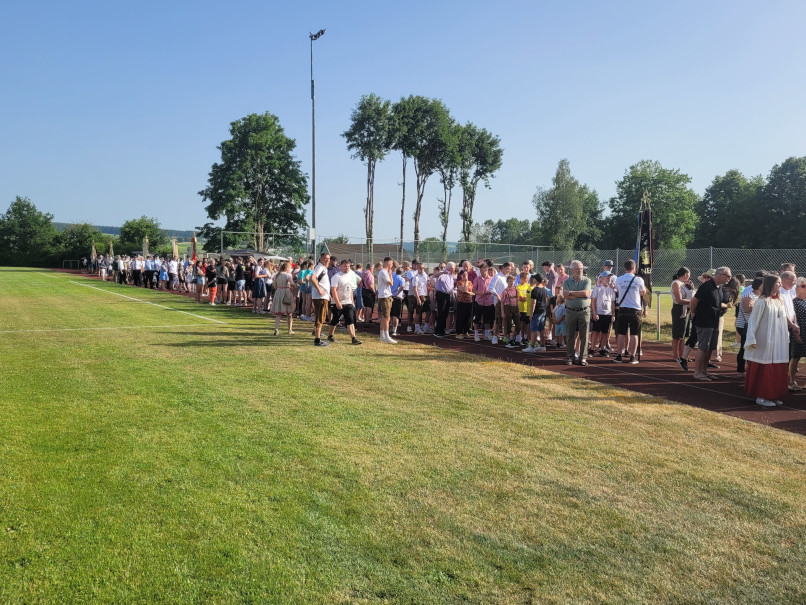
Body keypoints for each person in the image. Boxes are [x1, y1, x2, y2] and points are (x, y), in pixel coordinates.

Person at [744, 273, 790, 407]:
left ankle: (773, 395)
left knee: (777, 368)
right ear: (771, 284)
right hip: (765, 342)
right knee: (765, 369)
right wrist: (751, 338)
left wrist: (791, 328)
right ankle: (762, 396)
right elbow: (753, 321)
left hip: (778, 342)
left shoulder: (779, 301)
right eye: (778, 283)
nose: (780, 285)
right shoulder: (762, 301)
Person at [690, 266, 732, 381]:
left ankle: (704, 371)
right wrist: (693, 313)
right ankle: (697, 372)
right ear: (720, 275)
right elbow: (694, 301)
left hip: (714, 321)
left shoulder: (719, 287)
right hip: (704, 321)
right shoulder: (706, 286)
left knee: (710, 348)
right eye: (728, 276)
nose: (729, 278)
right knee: (703, 347)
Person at [613, 259, 647, 364]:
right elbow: (643, 292)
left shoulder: (619, 279)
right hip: (635, 309)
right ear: (634, 268)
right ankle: (632, 356)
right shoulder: (639, 279)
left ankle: (619, 355)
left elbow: (617, 290)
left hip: (623, 308)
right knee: (634, 334)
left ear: (625, 268)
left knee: (621, 333)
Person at [562, 260, 592, 366]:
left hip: (584, 311)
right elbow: (565, 295)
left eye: (581, 269)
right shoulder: (567, 282)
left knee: (584, 336)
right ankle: (570, 357)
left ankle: (583, 357)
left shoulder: (587, 280)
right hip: (570, 311)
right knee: (570, 335)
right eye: (577, 269)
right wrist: (580, 294)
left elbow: (586, 294)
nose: (580, 271)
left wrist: (571, 293)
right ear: (572, 270)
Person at [735, 276, 763, 374]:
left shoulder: (760, 296)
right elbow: (747, 309)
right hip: (744, 325)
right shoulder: (749, 294)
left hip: (753, 325)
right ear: (759, 285)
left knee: (752, 348)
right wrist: (759, 306)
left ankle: (751, 369)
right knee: (745, 347)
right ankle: (740, 369)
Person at [670, 267, 694, 368]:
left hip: (687, 309)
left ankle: (682, 356)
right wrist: (693, 301)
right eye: (689, 275)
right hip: (679, 310)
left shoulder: (685, 283)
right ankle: (676, 356)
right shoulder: (676, 283)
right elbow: (679, 300)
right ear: (685, 274)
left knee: (684, 334)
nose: (689, 277)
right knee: (677, 334)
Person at [590, 272, 616, 357]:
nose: (609, 280)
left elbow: (612, 302)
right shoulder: (597, 288)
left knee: (605, 332)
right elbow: (593, 301)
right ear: (602, 278)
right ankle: (592, 349)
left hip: (607, 313)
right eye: (607, 278)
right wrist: (594, 312)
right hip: (599, 313)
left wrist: (613, 314)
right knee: (596, 331)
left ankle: (602, 348)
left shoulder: (611, 289)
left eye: (610, 278)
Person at [310, 252, 332, 346]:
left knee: (320, 316)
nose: (327, 260)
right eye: (325, 258)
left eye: (328, 258)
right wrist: (319, 290)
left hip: (323, 296)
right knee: (320, 317)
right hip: (320, 297)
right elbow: (312, 278)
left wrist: (328, 293)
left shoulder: (323, 268)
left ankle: (316, 335)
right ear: (320, 259)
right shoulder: (319, 268)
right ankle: (317, 340)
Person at [788, 276, 806, 391]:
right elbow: (793, 320)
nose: (805, 288)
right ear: (797, 288)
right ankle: (791, 381)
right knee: (796, 357)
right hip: (799, 333)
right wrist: (796, 334)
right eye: (803, 286)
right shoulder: (794, 302)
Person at [523, 274, 548, 353]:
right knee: (541, 329)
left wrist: (531, 314)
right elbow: (545, 301)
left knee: (534, 330)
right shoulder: (544, 289)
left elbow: (533, 303)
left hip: (536, 312)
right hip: (543, 311)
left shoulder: (535, 290)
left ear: (536, 280)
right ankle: (542, 345)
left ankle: (531, 346)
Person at [270, 261, 297, 335]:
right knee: (289, 313)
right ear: (287, 268)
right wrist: (294, 286)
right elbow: (292, 283)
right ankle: (290, 330)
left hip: (278, 292)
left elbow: (275, 285)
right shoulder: (288, 275)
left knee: (279, 313)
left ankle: (276, 329)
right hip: (286, 293)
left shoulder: (277, 275)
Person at [376, 257, 396, 344]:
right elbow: (391, 283)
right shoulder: (384, 272)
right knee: (387, 317)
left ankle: (382, 336)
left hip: (385, 295)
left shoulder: (383, 272)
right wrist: (390, 274)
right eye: (391, 263)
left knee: (384, 317)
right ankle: (386, 336)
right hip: (385, 296)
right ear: (388, 263)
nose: (392, 265)